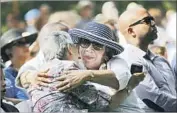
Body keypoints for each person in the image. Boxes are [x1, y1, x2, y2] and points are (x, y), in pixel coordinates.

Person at [16, 22, 145, 112]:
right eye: (85, 42)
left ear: (107, 54)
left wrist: (86, 75)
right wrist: (30, 76)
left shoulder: (115, 62)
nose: (89, 49)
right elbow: (28, 69)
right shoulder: (71, 64)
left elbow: (122, 78)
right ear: (77, 45)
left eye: (97, 46)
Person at [118, 7, 177, 112]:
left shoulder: (160, 60)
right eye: (147, 21)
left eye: (153, 19)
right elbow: (155, 99)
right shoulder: (128, 60)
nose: (153, 23)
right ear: (131, 31)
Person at [0, 28, 37, 104]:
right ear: (8, 51)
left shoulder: (35, 68)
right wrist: (31, 103)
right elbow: (4, 101)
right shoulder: (5, 75)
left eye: (27, 43)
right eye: (20, 43)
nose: (26, 46)